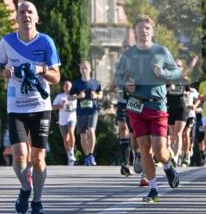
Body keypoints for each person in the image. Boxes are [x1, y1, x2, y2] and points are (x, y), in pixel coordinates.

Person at [0, 0, 61, 214]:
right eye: (22, 12)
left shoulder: (46, 42)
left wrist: (40, 69)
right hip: (16, 106)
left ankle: (38, 202)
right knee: (20, 156)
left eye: (30, 12)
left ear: (37, 17)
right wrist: (5, 72)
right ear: (16, 17)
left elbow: (56, 77)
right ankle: (25, 188)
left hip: (41, 106)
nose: (26, 15)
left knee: (38, 158)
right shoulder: (6, 42)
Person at [114, 13, 181, 203]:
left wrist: (164, 72)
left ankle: (168, 166)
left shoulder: (161, 51)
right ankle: (153, 189)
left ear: (152, 31)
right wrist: (126, 84)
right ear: (134, 32)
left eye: (147, 28)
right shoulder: (128, 55)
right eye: (140, 28)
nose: (143, 31)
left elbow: (177, 72)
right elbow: (118, 76)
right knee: (144, 147)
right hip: (135, 105)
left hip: (156, 104)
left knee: (160, 151)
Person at [69, 61, 102, 166]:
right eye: (82, 68)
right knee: (83, 135)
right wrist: (78, 96)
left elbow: (100, 93)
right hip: (81, 112)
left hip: (93, 110)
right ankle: (87, 156)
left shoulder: (94, 82)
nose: (84, 70)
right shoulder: (76, 83)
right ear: (80, 70)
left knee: (91, 131)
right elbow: (69, 97)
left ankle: (91, 155)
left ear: (90, 69)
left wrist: (96, 96)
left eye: (86, 68)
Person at [51, 80, 77, 165]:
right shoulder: (60, 96)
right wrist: (60, 106)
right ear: (63, 88)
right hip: (62, 120)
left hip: (71, 118)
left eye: (69, 86)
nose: (67, 87)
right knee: (65, 139)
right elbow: (52, 107)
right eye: (65, 86)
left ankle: (72, 151)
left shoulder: (74, 96)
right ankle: (69, 155)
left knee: (71, 132)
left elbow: (77, 106)